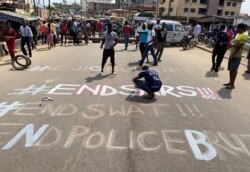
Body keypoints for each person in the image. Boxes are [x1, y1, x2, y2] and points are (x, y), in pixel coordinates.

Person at [224, 23, 248, 89]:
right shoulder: (238, 34)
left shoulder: (244, 35)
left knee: (234, 70)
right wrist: (232, 44)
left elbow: (239, 47)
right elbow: (235, 43)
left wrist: (232, 55)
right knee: (231, 70)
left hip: (236, 55)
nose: (236, 29)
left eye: (237, 28)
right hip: (232, 54)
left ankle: (232, 85)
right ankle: (230, 82)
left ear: (241, 28)